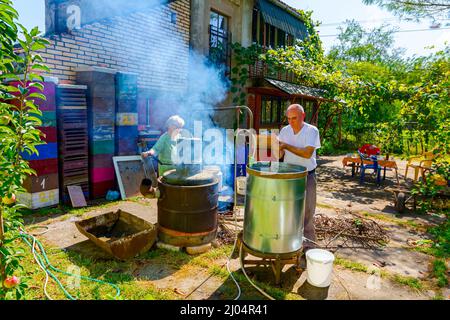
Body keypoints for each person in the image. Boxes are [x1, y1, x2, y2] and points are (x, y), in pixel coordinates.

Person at [277, 104, 321, 253]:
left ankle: (308, 247)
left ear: (303, 116)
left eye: (294, 118)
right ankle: (289, 242)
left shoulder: (311, 131)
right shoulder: (285, 130)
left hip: (307, 175)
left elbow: (307, 153)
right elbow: (280, 155)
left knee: (307, 212)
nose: (291, 122)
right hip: (289, 176)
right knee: (289, 210)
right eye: (288, 118)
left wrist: (285, 146)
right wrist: (275, 150)